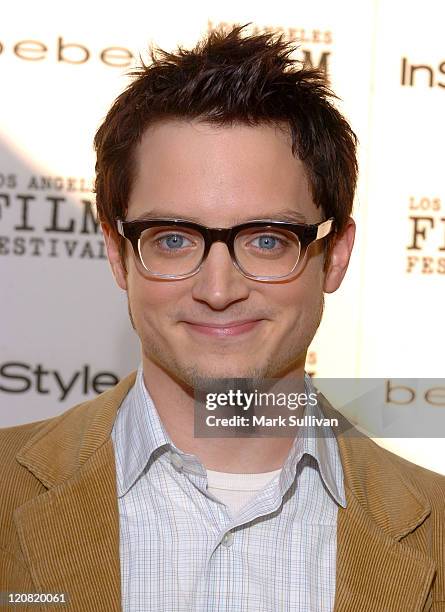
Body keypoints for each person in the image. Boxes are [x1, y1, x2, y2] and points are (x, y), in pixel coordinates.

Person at [1, 24, 444, 612]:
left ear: (334, 256)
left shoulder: (433, 525)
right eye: (174, 239)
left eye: (266, 240)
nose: (217, 289)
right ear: (117, 254)